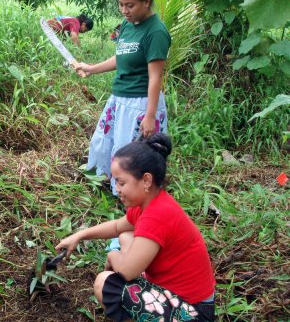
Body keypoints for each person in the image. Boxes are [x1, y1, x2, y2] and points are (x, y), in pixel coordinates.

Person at [56, 133, 216, 322]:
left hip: (193, 312)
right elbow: (117, 226)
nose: (117, 189)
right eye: (116, 182)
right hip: (177, 296)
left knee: (104, 282)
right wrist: (79, 236)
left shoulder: (157, 215)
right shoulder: (149, 204)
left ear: (146, 180)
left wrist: (112, 255)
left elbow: (125, 272)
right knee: (125, 236)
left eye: (122, 182)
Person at [74, 0, 170, 194]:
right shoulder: (127, 25)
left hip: (140, 103)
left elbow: (156, 76)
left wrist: (149, 116)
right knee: (104, 142)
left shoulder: (156, 32)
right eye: (121, 5)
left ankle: (131, 198)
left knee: (132, 156)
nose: (124, 10)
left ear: (147, 2)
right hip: (119, 99)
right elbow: (121, 57)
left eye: (130, 5)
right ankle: (106, 183)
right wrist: (91, 68)